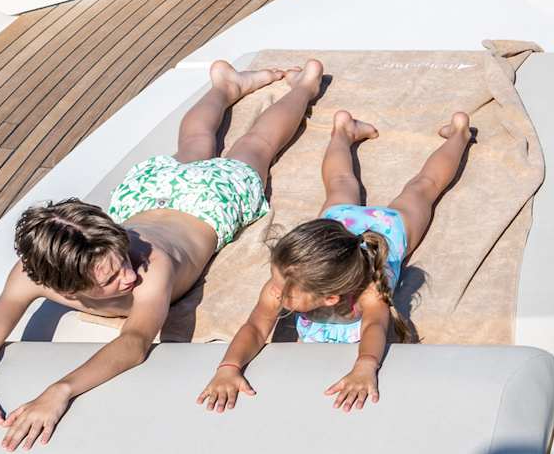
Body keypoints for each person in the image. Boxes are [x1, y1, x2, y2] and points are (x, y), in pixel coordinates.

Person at [0, 58, 327, 450]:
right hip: (148, 195)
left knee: (254, 147)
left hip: (208, 202)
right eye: (110, 279)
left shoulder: (153, 268)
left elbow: (135, 342)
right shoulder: (28, 275)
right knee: (193, 145)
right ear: (59, 284)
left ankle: (302, 87)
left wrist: (60, 391)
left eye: (124, 256)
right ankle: (226, 88)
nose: (129, 276)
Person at [197, 107, 473, 414]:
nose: (274, 290)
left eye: (284, 289)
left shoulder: (369, 291)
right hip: (338, 226)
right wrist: (229, 367)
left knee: (423, 187)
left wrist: (365, 367)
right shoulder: (286, 282)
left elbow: (374, 329)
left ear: (329, 297)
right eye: (274, 277)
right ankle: (343, 130)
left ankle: (459, 133)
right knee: (340, 181)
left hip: (388, 226)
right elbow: (255, 327)